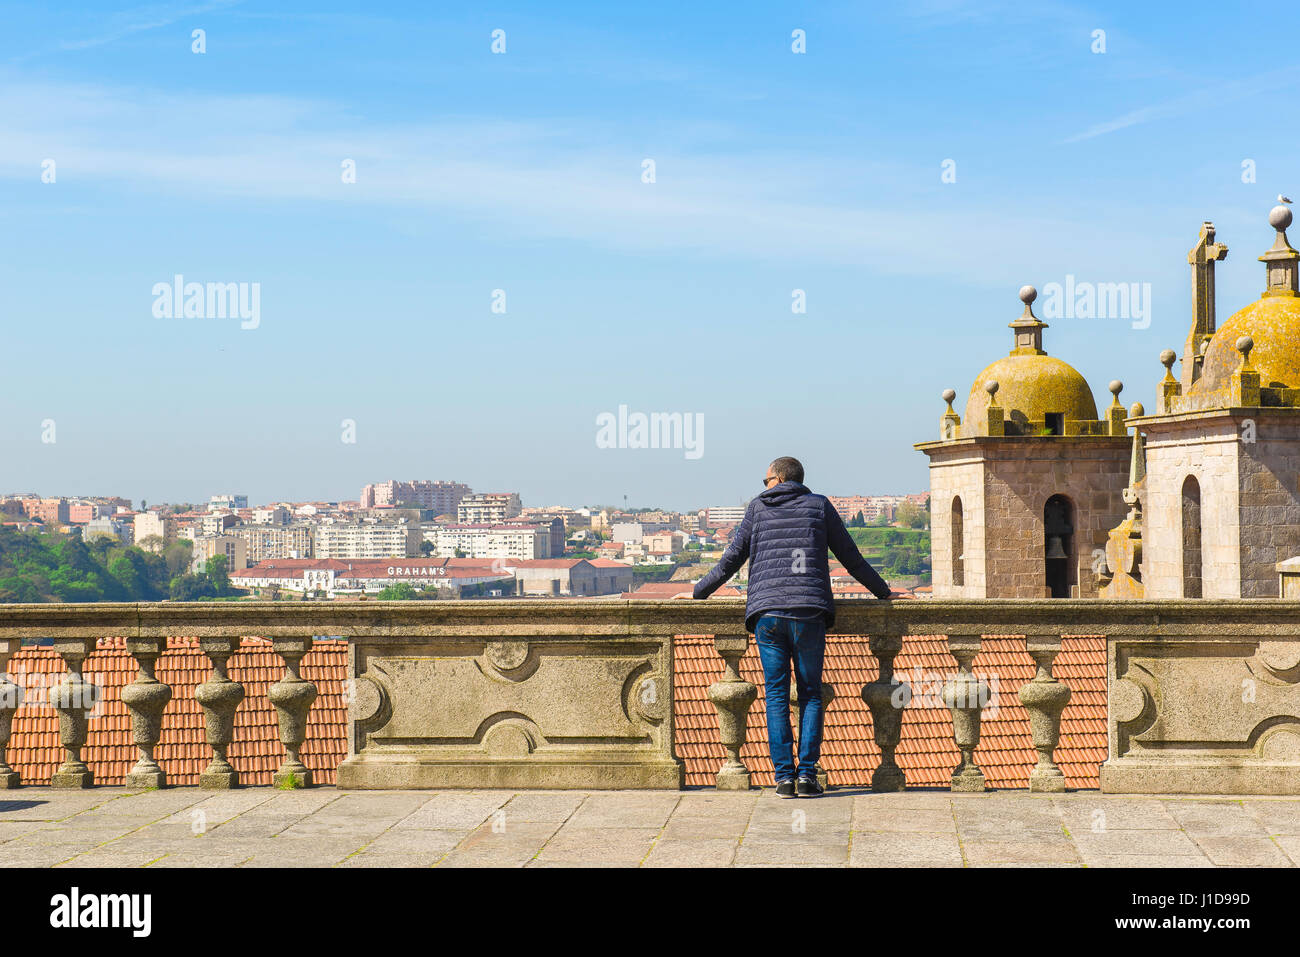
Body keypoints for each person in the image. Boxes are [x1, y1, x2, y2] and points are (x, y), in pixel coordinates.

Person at [693, 456, 892, 797]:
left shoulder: (757, 509)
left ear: (779, 478)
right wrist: (884, 593)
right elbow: (850, 556)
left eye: (765, 479)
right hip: (808, 612)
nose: (764, 485)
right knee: (812, 693)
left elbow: (731, 558)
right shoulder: (819, 506)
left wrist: (698, 593)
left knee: (776, 695)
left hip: (767, 614)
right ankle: (807, 775)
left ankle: (784, 778)